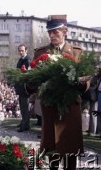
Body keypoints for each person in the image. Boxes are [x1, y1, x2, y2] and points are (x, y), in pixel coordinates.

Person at [32, 15, 89, 170]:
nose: (51, 35)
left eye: (55, 32)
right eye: (49, 32)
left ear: (65, 31)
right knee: (52, 147)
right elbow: (32, 80)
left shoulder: (77, 52)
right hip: (50, 106)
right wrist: (31, 82)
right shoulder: (40, 53)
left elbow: (87, 78)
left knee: (70, 147)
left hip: (70, 106)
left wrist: (79, 81)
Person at [14, 44, 31, 132]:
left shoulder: (27, 60)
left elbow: (27, 73)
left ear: (26, 50)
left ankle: (25, 125)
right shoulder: (21, 59)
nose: (20, 52)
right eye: (19, 50)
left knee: (25, 106)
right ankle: (23, 122)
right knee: (22, 105)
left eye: (22, 50)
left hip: (24, 86)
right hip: (20, 85)